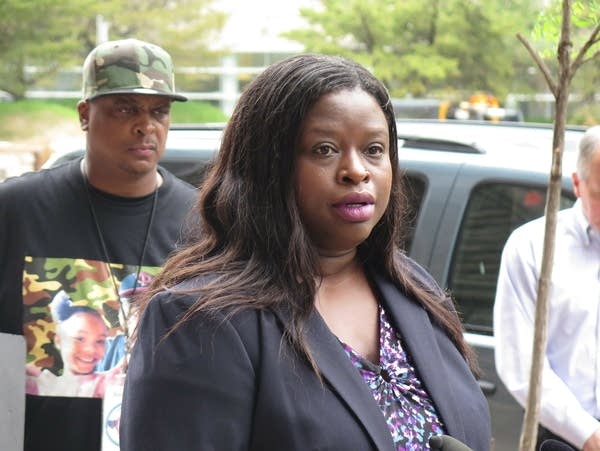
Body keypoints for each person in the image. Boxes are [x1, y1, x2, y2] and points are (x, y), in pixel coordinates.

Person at [120, 54, 492, 451]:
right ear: (267, 166)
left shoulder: (417, 290)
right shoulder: (200, 320)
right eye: (325, 149)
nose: (356, 170)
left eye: (374, 149)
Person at [0, 38, 196, 450]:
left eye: (159, 111)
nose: (146, 125)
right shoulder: (16, 209)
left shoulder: (203, 223)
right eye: (125, 109)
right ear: (85, 114)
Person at [494, 125, 600, 450]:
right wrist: (590, 436)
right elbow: (521, 365)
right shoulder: (533, 248)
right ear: (578, 184)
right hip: (566, 437)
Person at [26, 290, 109, 398]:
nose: (91, 349)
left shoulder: (112, 385)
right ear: (58, 340)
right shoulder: (38, 386)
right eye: (80, 339)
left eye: (100, 341)